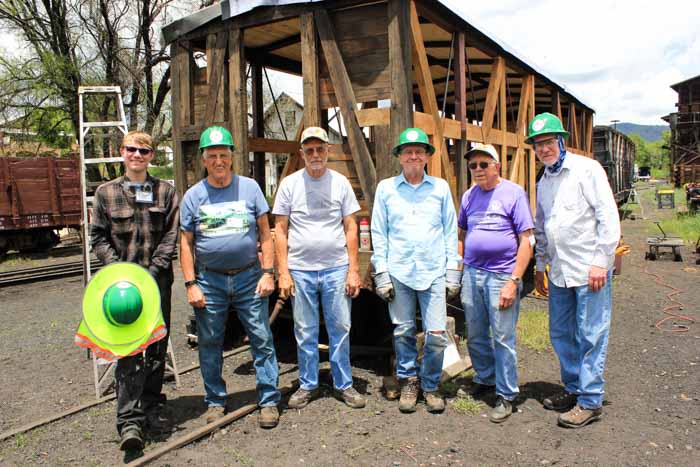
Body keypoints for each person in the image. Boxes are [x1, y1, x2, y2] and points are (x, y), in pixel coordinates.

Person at [179, 126, 281, 429]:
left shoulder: (250, 188)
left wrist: (268, 273)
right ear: (204, 159)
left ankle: (269, 400)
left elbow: (265, 234)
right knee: (210, 342)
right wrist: (190, 283)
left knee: (261, 339)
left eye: (224, 154)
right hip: (210, 280)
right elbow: (185, 243)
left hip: (251, 277)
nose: (219, 161)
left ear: (232, 157)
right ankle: (215, 401)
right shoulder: (193, 196)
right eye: (213, 156)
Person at [529, 112, 621, 428]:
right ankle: (574, 387)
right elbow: (542, 227)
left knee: (591, 333)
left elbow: (608, 217)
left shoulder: (586, 170)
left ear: (561, 140)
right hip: (560, 272)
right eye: (538, 144)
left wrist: (601, 261)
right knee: (561, 333)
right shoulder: (544, 181)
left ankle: (591, 400)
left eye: (548, 141)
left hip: (588, 269)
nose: (544, 149)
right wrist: (540, 265)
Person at [91, 130, 179, 450]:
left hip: (158, 283)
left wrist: (153, 271)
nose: (137, 155)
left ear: (152, 156)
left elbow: (171, 235)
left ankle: (152, 407)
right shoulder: (105, 194)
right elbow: (98, 238)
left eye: (144, 151)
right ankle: (129, 421)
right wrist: (121, 271)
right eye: (132, 149)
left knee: (156, 346)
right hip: (121, 289)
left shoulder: (166, 192)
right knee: (128, 350)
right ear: (121, 152)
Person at [273, 126, 366, 410]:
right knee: (305, 330)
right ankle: (308, 384)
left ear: (329, 151)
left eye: (320, 149)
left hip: (336, 267)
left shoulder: (339, 183)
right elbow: (280, 229)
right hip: (300, 269)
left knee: (340, 327)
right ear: (301, 154)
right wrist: (284, 272)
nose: (315, 155)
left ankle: (344, 384)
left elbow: (350, 227)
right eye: (309, 150)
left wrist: (353, 269)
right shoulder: (290, 184)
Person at [371, 127, 462, 414]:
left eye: (419, 152)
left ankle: (431, 384)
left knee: (436, 334)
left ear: (426, 157)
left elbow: (450, 231)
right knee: (404, 331)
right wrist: (381, 273)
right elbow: (379, 232)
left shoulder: (440, 188)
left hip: (433, 271)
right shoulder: (386, 189)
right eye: (408, 152)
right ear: (400, 157)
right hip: (399, 271)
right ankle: (410, 381)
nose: (413, 156)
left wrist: (452, 271)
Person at [457, 143, 534, 423]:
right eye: (473, 165)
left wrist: (514, 281)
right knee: (476, 334)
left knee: (502, 337)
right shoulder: (469, 196)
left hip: (501, 275)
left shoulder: (513, 193)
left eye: (483, 164)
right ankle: (486, 378)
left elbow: (526, 239)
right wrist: (460, 268)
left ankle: (506, 394)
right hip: (473, 273)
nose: (477, 169)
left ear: (497, 165)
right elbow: (462, 234)